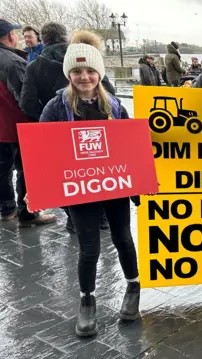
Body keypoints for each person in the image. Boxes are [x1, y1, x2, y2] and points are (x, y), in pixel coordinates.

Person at [38, 30, 141, 337]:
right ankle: (87, 300)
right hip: (79, 187)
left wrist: (140, 181)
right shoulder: (56, 108)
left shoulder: (115, 107)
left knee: (123, 237)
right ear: (69, 74)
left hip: (114, 185)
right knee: (88, 247)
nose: (84, 77)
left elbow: (130, 148)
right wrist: (38, 185)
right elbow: (42, 149)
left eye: (90, 71)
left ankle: (133, 287)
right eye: (78, 71)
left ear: (99, 73)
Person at [19, 21, 112, 232]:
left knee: (70, 179)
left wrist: (49, 124)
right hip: (96, 139)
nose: (84, 76)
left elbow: (27, 102)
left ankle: (74, 218)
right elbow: (110, 95)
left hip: (60, 139)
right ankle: (100, 218)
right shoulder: (90, 67)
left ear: (44, 39)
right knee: (96, 177)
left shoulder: (35, 66)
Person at [0, 19, 56, 227]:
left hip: (2, 128)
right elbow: (26, 99)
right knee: (27, 170)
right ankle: (28, 213)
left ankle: (7, 209)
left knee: (2, 169)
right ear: (11, 37)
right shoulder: (12, 62)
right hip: (17, 126)